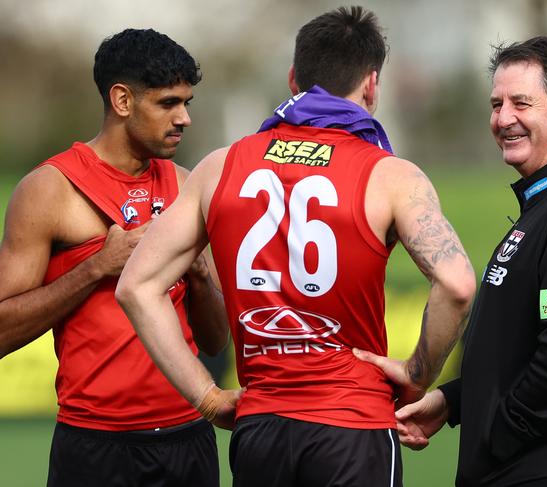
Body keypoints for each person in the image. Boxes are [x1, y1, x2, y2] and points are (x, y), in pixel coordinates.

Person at [116, 6, 475, 487]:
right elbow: (456, 284)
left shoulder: (220, 166)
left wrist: (206, 396)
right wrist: (415, 376)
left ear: (293, 79)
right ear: (371, 84)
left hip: (261, 428)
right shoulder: (391, 176)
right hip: (353, 427)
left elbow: (137, 286)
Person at [358, 34, 547, 486]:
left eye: (521, 103)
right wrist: (456, 402)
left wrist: (498, 434)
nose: (504, 119)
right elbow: (522, 341)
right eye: (496, 105)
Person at [0, 29, 231, 486]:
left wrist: (201, 273)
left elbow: (215, 340)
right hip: (95, 445)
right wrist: (95, 268)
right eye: (168, 103)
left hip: (189, 437)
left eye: (187, 103)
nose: (184, 118)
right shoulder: (50, 189)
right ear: (122, 100)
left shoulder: (187, 186)